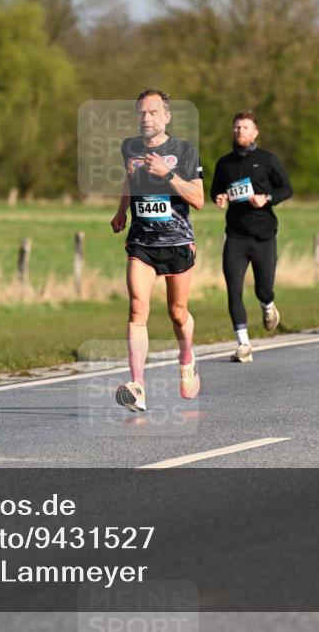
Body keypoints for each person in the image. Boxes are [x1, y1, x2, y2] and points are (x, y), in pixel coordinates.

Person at [110, 88, 205, 411]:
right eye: (141, 113)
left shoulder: (184, 150)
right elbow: (129, 179)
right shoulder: (129, 147)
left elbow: (198, 199)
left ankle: (187, 358)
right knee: (138, 309)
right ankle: (138, 386)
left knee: (177, 313)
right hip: (142, 242)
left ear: (166, 116)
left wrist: (168, 175)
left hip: (177, 243)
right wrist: (122, 210)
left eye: (152, 113)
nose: (145, 118)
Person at [210, 110, 293, 362]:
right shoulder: (224, 163)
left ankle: (268, 305)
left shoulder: (267, 160)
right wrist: (220, 197)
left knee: (263, 288)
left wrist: (266, 198)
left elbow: (286, 189)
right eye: (236, 127)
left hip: (263, 235)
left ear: (255, 132)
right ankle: (243, 344)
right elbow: (216, 191)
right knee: (233, 289)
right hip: (235, 236)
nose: (240, 131)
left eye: (245, 127)